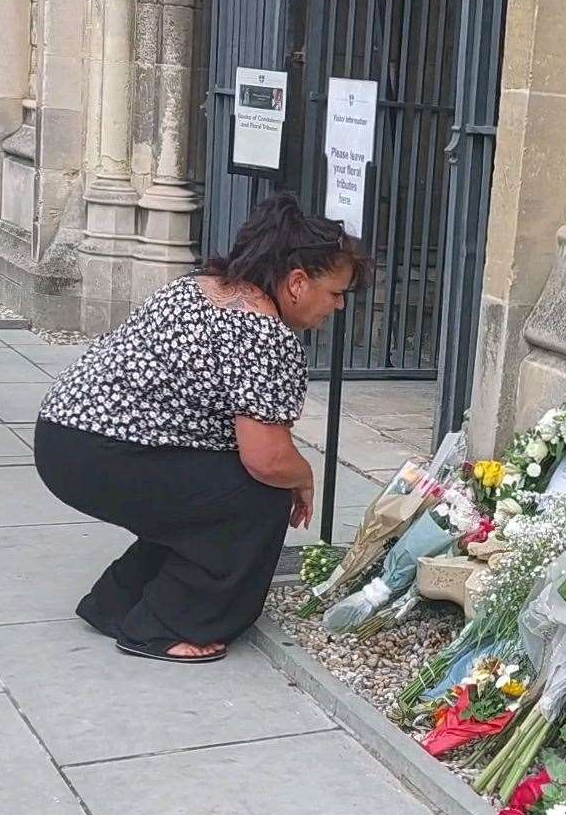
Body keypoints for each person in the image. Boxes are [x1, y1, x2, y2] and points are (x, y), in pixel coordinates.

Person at [34, 195, 365, 663]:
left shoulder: (202, 286)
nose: (338, 307)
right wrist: (303, 477)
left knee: (204, 496)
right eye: (335, 293)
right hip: (105, 450)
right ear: (296, 283)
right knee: (259, 498)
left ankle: (117, 603)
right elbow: (266, 458)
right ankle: (164, 625)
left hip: (63, 437)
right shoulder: (263, 332)